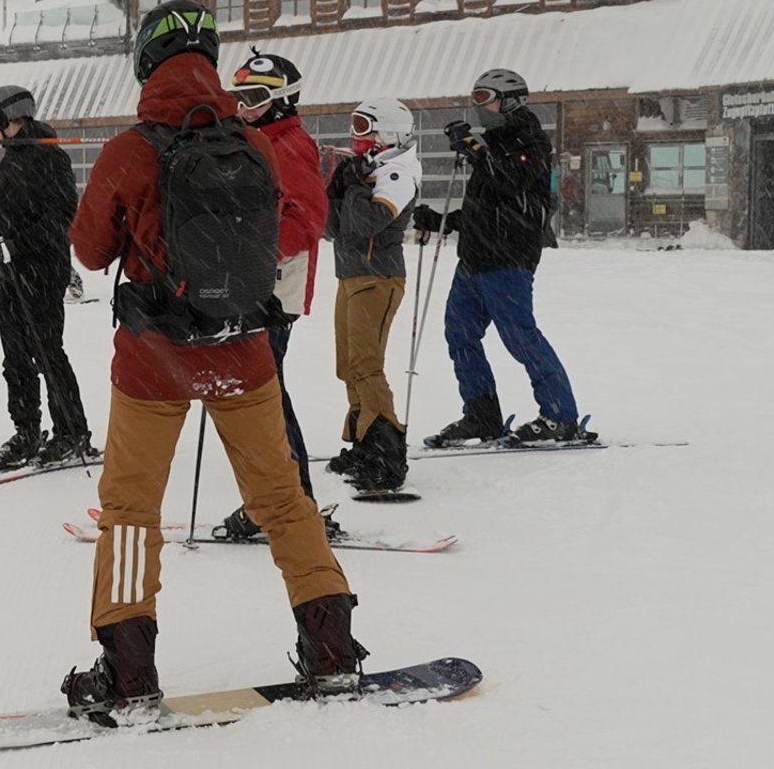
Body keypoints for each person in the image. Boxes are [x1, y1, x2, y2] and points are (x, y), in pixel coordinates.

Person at [62, 0, 364, 724]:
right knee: (284, 500)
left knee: (132, 512)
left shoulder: (130, 150)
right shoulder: (253, 144)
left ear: (146, 63)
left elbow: (90, 250)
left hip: (154, 359)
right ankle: (331, 649)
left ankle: (130, 671)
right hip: (244, 352)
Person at [413, 68, 590, 445]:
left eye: (485, 98)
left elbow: (509, 184)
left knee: (520, 336)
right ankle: (481, 415)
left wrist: (474, 149)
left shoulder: (530, 141)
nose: (479, 108)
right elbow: (486, 208)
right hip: (475, 259)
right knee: (459, 334)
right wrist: (442, 221)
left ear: (509, 101)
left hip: (508, 259)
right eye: (475, 99)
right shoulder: (493, 142)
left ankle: (560, 416)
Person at [212, 52, 332, 542]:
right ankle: (277, 501)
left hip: (273, 291)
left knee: (264, 399)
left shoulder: (290, 145)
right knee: (259, 397)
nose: (244, 108)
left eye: (256, 99)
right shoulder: (255, 141)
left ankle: (291, 502)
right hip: (251, 285)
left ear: (283, 100)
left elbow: (306, 221)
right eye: (239, 98)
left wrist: (248, 250)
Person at [0, 85, 95, 470]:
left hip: (42, 272)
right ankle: (27, 430)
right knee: (14, 358)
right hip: (10, 276)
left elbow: (62, 219)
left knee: (48, 353)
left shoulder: (51, 157)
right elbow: (5, 222)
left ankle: (72, 431)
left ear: (8, 118)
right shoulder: (11, 160)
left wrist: (17, 245)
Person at [321, 98, 422, 493]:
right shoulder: (370, 170)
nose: (355, 136)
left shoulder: (398, 172)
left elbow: (368, 223)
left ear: (387, 132)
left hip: (377, 277)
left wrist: (354, 187)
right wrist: (337, 189)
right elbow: (334, 229)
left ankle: (386, 453)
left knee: (367, 365)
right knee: (348, 365)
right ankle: (364, 444)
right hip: (350, 275)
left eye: (363, 127)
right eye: (354, 127)